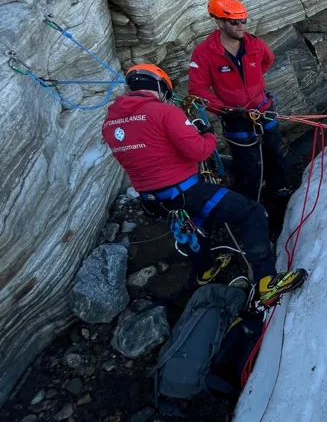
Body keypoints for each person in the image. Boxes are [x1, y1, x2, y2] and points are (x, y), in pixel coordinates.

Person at [101, 64, 305, 306]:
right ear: (160, 85)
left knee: (195, 224)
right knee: (253, 212)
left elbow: (144, 155)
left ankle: (204, 271)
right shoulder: (164, 113)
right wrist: (207, 132)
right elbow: (200, 151)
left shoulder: (110, 124)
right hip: (186, 190)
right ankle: (267, 282)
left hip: (153, 200)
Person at [188, 0, 292, 211]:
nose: (241, 26)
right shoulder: (204, 53)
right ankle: (250, 206)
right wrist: (223, 108)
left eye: (244, 20)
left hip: (263, 110)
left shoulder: (254, 45)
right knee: (247, 165)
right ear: (219, 22)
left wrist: (254, 83)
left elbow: (268, 60)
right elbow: (197, 89)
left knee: (274, 150)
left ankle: (280, 189)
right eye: (235, 22)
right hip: (235, 118)